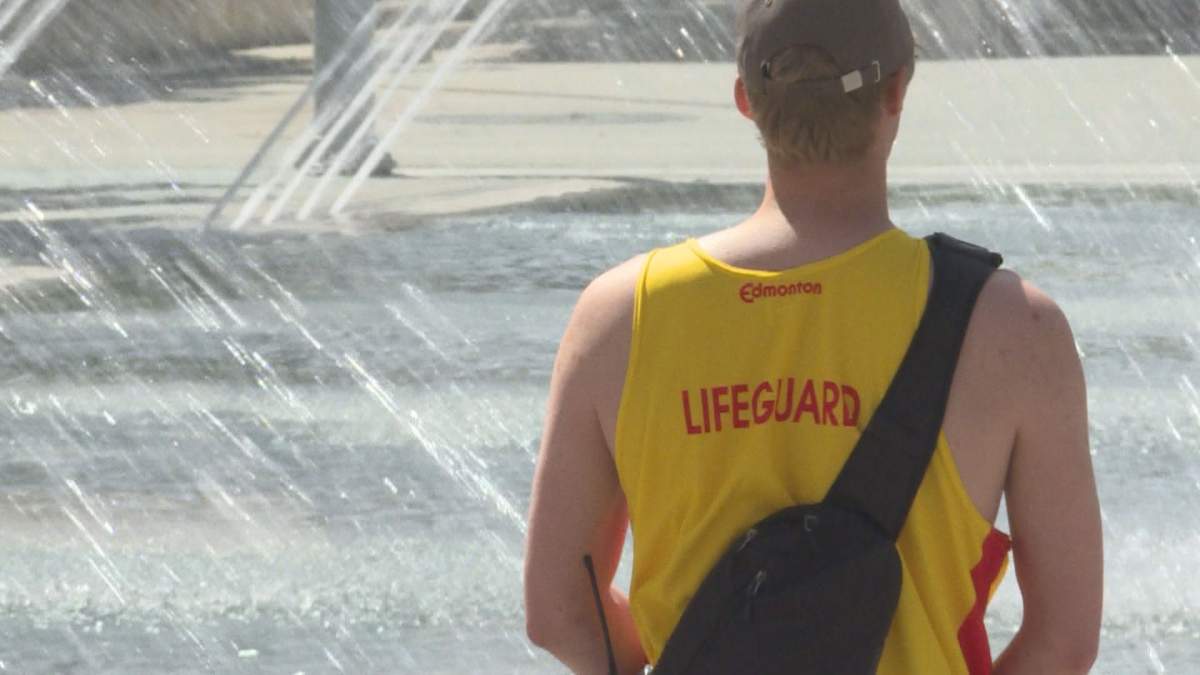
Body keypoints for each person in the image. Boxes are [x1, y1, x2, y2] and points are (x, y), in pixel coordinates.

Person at [524, 0, 1103, 672]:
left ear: (745, 100)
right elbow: (1063, 640)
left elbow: (557, 610)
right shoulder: (1013, 327)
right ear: (897, 91)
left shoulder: (621, 316)